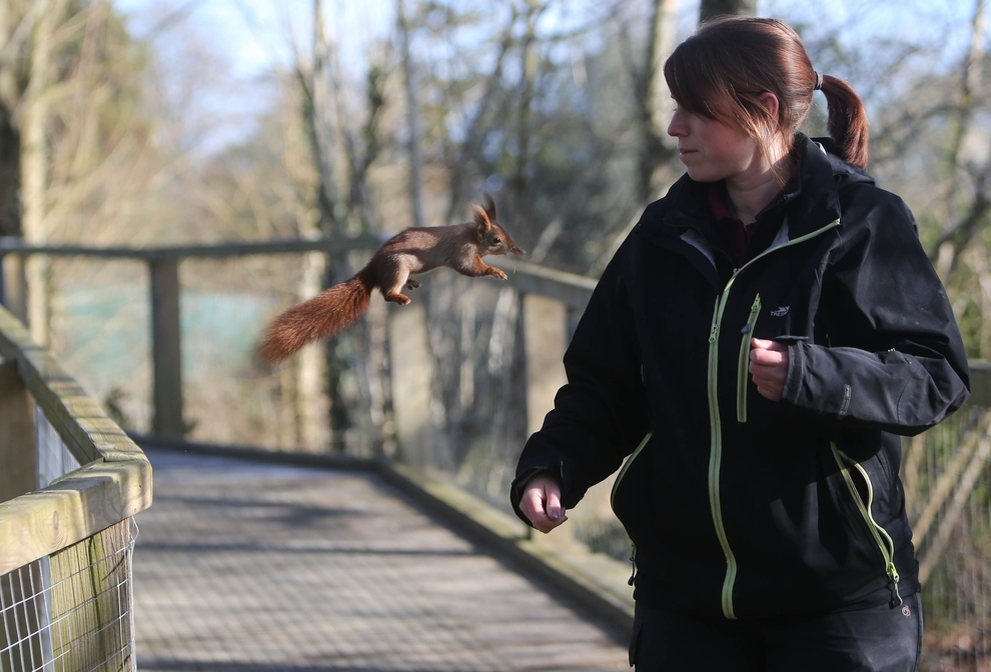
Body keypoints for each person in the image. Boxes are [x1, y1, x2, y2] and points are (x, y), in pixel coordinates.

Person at [510, 15, 971, 672]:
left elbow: (933, 377)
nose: (674, 128)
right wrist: (553, 464)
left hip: (837, 605)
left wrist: (812, 375)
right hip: (682, 603)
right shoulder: (659, 233)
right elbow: (604, 383)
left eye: (696, 111)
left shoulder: (863, 220)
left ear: (763, 109)